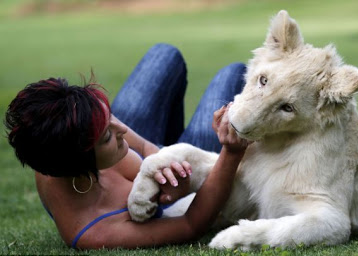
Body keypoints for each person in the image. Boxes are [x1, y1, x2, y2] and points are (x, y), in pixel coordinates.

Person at [5, 43, 249, 249]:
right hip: (182, 201)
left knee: (164, 55)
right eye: (107, 136)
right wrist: (231, 152)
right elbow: (190, 225)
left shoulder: (74, 128)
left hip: (157, 159)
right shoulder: (94, 230)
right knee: (231, 74)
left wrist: (167, 164)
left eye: (110, 116)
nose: (121, 130)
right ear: (80, 163)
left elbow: (143, 145)